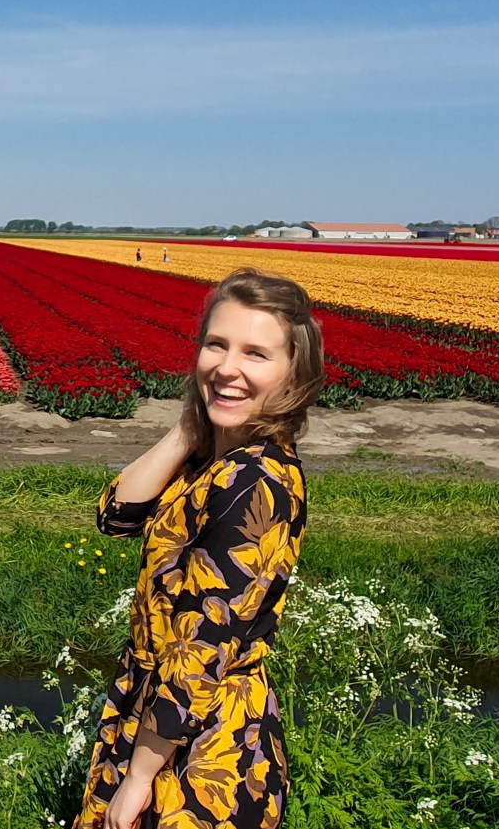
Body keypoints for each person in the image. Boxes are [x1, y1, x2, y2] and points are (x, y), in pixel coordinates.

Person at [75, 267, 325, 829]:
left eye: (255, 354)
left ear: (294, 374)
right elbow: (115, 516)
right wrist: (194, 423)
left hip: (200, 743)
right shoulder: (215, 460)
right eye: (217, 345)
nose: (227, 367)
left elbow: (202, 652)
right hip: (156, 713)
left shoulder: (255, 483)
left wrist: (139, 779)